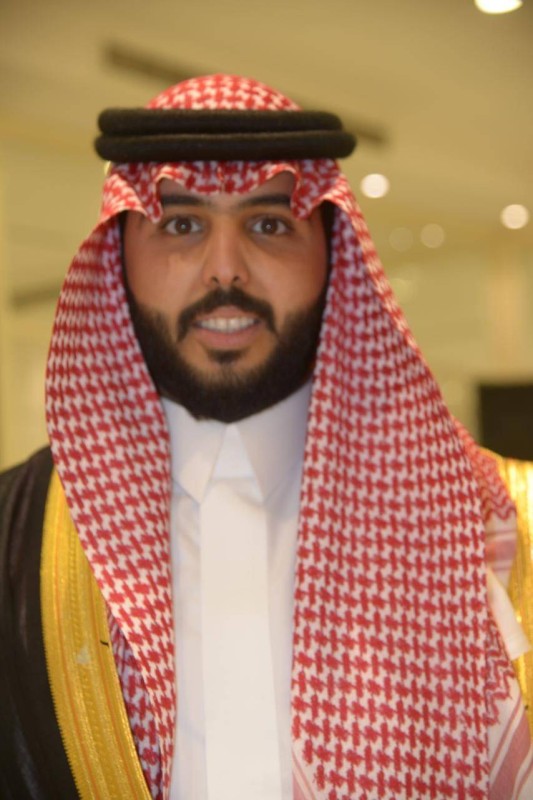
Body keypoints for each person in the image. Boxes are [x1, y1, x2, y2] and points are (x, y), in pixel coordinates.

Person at [0, 74, 531, 800]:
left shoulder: (493, 523)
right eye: (181, 225)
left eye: (270, 225)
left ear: (333, 252)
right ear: (118, 254)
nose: (226, 269)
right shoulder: (15, 534)